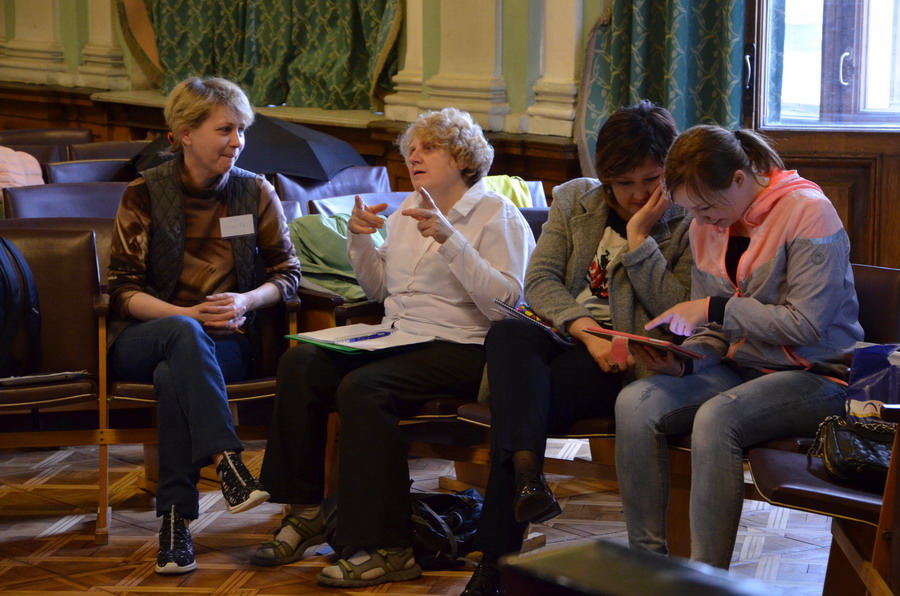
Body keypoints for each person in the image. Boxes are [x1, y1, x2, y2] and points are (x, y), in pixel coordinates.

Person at [254, 107, 535, 588]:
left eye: (429, 148)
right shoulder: (409, 208)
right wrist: (359, 239)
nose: (414, 157)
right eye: (410, 150)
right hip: (399, 336)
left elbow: (507, 305)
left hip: (464, 347)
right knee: (300, 361)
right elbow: (381, 289)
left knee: (364, 388)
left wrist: (450, 240)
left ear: (463, 158)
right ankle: (307, 512)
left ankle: (387, 547)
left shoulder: (497, 215)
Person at [461, 100, 693, 596]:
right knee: (507, 333)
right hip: (567, 336)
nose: (637, 194)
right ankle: (527, 476)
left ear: (669, 171)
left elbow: (677, 309)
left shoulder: (688, 221)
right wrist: (585, 329)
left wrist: (640, 240)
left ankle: (495, 561)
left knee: (517, 407)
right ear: (605, 177)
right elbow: (539, 281)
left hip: (621, 360)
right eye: (623, 182)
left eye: (650, 180)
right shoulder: (574, 199)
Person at [615, 124, 864, 569]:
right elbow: (716, 331)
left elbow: (806, 325)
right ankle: (646, 569)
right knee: (635, 403)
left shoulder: (810, 211)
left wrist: (715, 307)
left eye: (707, 207)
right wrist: (685, 362)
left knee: (717, 419)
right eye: (692, 211)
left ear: (739, 177)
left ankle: (706, 580)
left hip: (818, 375)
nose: (702, 221)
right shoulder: (705, 225)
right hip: (740, 368)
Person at [107, 77, 302, 575]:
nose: (237, 142)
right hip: (144, 337)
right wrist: (187, 316)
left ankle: (175, 526)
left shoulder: (254, 191)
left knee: (176, 376)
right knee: (182, 336)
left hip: (226, 342)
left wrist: (246, 299)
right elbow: (122, 291)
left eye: (242, 130)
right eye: (225, 130)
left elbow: (288, 274)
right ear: (186, 134)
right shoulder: (144, 193)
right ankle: (226, 459)